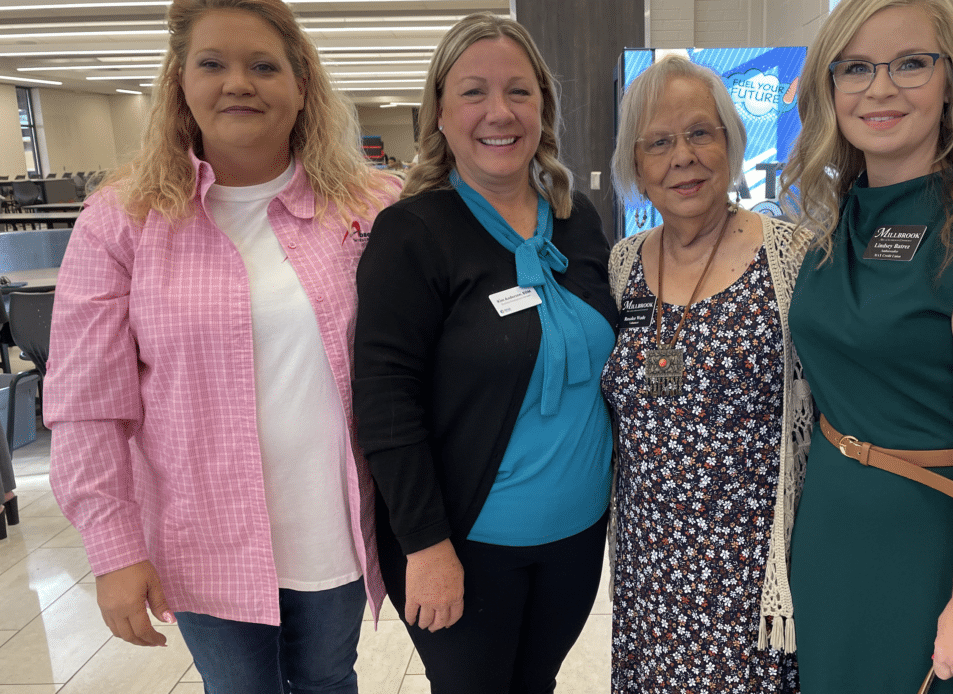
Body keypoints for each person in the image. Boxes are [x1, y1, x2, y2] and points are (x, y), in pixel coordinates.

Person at [45, 0, 401, 691]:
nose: (238, 83)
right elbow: (87, 404)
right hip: (202, 536)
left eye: (263, 66)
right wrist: (113, 549)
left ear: (302, 87)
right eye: (212, 64)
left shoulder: (370, 207)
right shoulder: (123, 220)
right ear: (180, 82)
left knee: (329, 678)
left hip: (333, 523)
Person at [781, 0, 953, 691]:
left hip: (942, 542)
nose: (880, 88)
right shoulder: (839, 219)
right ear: (829, 88)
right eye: (855, 68)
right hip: (836, 528)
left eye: (910, 63)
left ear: (951, 80)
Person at [352, 12, 617, 694]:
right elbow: (385, 402)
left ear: (543, 108)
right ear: (440, 113)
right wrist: (425, 544)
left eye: (518, 91)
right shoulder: (412, 233)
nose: (499, 112)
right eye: (474, 92)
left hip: (576, 536)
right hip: (468, 542)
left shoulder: (577, 219)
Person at [602, 54, 814, 693]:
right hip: (648, 575)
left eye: (700, 132)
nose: (683, 157)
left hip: (751, 578)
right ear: (636, 165)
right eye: (659, 143)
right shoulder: (622, 265)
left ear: (732, 141)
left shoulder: (792, 258)